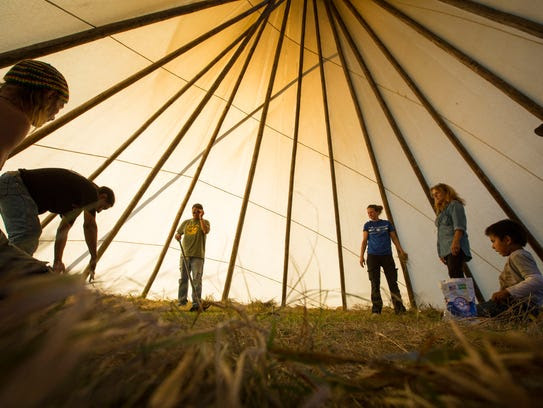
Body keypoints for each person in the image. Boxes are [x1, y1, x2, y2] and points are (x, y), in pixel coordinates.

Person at [0, 60, 69, 276]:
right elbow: (71, 225)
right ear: (48, 95)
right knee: (33, 274)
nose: (54, 116)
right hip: (15, 185)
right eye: (59, 106)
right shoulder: (14, 117)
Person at [0, 168, 114, 277]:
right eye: (103, 207)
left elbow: (63, 230)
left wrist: (58, 261)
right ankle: (10, 277)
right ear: (102, 196)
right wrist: (94, 256)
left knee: (25, 237)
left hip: (11, 186)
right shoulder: (91, 191)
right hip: (15, 185)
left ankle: (11, 276)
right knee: (28, 234)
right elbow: (89, 226)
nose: (98, 211)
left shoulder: (76, 203)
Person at [477, 219, 543, 318]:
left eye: (493, 241)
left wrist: (508, 292)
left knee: (471, 311)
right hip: (520, 306)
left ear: (507, 240)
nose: (493, 247)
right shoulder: (518, 255)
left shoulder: (517, 255)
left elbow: (537, 280)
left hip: (521, 307)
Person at [359, 204, 407, 314]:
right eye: (368, 213)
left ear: (377, 212)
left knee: (392, 282)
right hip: (372, 256)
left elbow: (394, 238)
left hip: (386, 256)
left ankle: (399, 309)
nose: (369, 214)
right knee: (374, 283)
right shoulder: (367, 225)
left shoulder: (387, 223)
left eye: (371, 212)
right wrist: (361, 256)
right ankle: (376, 310)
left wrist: (401, 250)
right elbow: (364, 241)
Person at [431, 183, 471, 278]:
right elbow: (441, 234)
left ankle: (464, 293)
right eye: (433, 195)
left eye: (437, 193)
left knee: (455, 273)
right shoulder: (441, 213)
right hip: (446, 249)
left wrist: (455, 242)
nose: (435, 196)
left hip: (454, 246)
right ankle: (462, 293)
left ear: (446, 192)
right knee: (453, 274)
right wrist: (441, 252)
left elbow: (459, 226)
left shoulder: (455, 205)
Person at [175, 203, 210, 311]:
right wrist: (178, 235)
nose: (195, 213)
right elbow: (178, 233)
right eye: (194, 211)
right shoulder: (186, 222)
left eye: (198, 211)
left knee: (196, 280)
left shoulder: (204, 222)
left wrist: (201, 218)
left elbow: (205, 231)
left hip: (198, 256)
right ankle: (182, 302)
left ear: (201, 212)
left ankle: (196, 304)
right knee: (183, 279)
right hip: (185, 255)